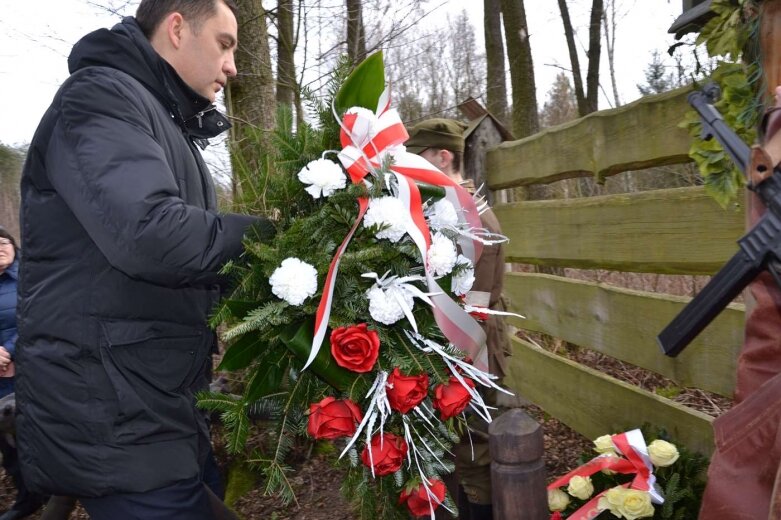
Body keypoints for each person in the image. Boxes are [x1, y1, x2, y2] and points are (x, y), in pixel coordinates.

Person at [17, 1, 273, 519]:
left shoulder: (165, 121)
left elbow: (193, 266)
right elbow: (150, 235)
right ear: (177, 28)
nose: (232, 67)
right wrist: (275, 243)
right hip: (115, 420)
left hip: (161, 409)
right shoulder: (100, 98)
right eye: (224, 44)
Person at [406, 119, 511, 520]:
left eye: (418, 158)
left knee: (473, 450)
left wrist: (452, 355)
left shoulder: (475, 220)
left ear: (442, 156)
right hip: (448, 349)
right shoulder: (444, 210)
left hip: (473, 350)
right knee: (452, 448)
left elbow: (477, 304)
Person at [0, 228, 48, 520]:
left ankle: (60, 488)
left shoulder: (29, 279)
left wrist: (7, 350)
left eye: (3, 242)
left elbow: (39, 317)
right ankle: (27, 497)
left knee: (40, 431)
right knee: (8, 441)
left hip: (31, 369)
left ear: (15, 246)